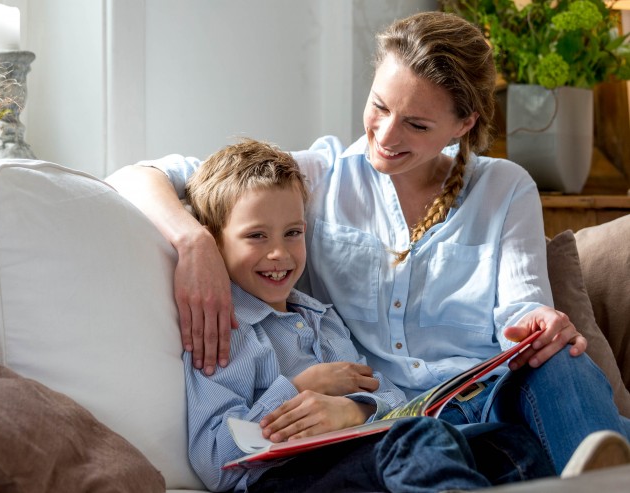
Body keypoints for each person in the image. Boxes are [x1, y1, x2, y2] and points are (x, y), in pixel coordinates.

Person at [107, 11, 630, 476]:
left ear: (462, 125)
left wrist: (539, 323)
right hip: (396, 425)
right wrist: (193, 241)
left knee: (560, 359)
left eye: (416, 123)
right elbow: (139, 174)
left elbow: (522, 309)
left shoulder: (505, 187)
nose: (385, 134)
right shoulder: (316, 176)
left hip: (492, 404)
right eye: (379, 106)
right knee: (437, 449)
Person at [179, 137, 552, 492]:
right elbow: (215, 461)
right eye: (257, 236)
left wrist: (354, 412)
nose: (279, 253)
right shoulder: (222, 329)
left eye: (292, 233)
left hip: (362, 462)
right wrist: (300, 388)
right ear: (214, 241)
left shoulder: (322, 318)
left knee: (509, 444)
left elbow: (388, 397)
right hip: (285, 479)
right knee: (418, 441)